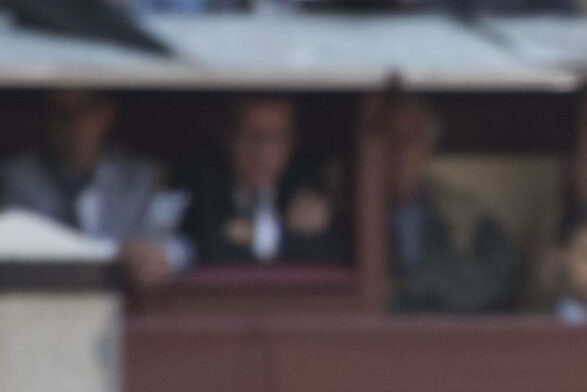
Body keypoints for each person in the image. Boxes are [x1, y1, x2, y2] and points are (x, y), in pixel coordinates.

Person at [0, 89, 187, 290]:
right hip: (48, 300)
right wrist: (115, 254)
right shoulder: (18, 176)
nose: (70, 122)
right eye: (58, 113)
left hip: (127, 304)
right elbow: (21, 245)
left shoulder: (138, 174)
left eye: (81, 111)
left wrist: (162, 257)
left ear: (105, 114)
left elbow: (176, 241)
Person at [382, 98, 520, 315]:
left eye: (412, 140)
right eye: (392, 141)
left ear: (428, 148)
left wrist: (410, 284)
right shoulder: (346, 215)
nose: (402, 151)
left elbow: (496, 282)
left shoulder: (466, 215)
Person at [177, 95, 346, 267]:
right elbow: (209, 248)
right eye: (253, 136)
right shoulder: (202, 178)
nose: (264, 152)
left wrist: (254, 235)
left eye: (278, 138)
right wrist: (289, 233)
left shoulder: (305, 183)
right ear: (227, 137)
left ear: (294, 141)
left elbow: (330, 252)